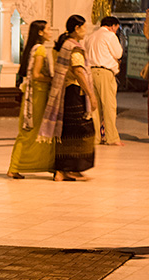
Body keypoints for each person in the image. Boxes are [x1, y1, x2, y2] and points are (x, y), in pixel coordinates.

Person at [38, 15, 98, 182]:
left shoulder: (64, 45)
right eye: (84, 27)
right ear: (76, 28)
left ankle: (67, 169)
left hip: (67, 93)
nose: (85, 31)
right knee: (82, 131)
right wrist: (91, 95)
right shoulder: (74, 48)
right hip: (73, 93)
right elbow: (78, 71)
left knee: (67, 131)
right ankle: (67, 169)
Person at [8, 20, 55, 179]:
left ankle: (21, 165)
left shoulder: (32, 48)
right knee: (30, 131)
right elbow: (36, 75)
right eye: (48, 29)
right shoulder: (40, 50)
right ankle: (14, 167)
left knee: (31, 131)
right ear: (40, 32)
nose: (50, 31)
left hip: (34, 93)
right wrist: (52, 79)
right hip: (37, 94)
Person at [84, 16, 123, 146]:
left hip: (91, 73)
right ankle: (111, 138)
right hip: (105, 73)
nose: (116, 31)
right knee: (109, 106)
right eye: (116, 29)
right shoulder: (110, 36)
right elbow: (118, 53)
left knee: (95, 107)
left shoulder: (91, 36)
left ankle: (95, 137)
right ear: (113, 26)